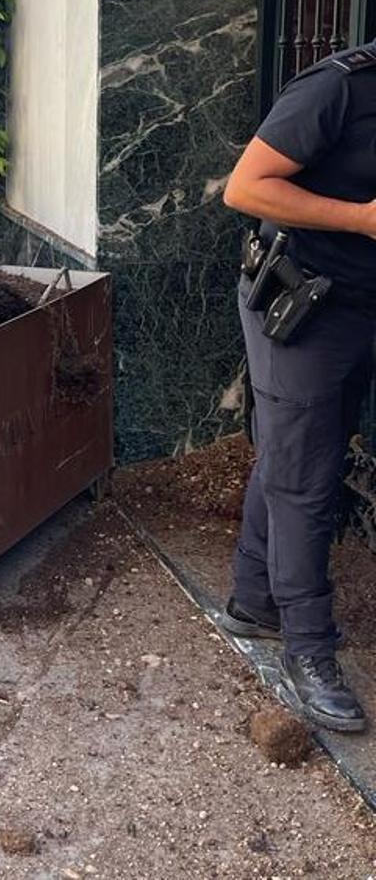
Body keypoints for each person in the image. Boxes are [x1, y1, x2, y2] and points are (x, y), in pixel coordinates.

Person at [221, 43, 376, 733]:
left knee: (298, 455)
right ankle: (308, 653)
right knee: (307, 482)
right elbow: (246, 188)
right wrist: (365, 217)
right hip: (302, 305)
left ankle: (253, 599)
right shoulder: (339, 88)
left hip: (362, 308)